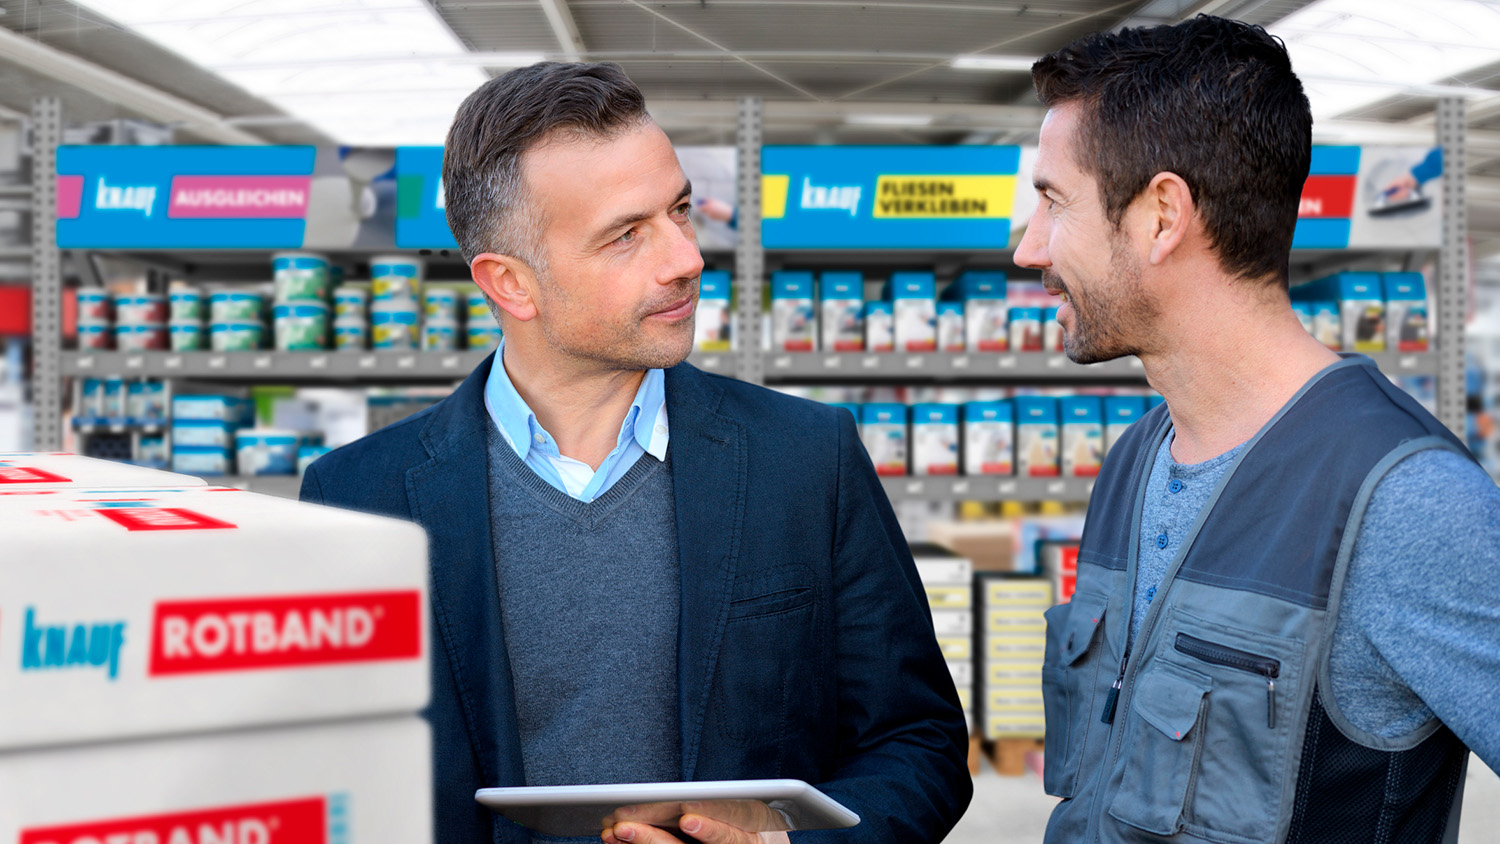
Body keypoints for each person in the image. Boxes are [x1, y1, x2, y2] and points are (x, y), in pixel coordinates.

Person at [300, 62, 970, 844]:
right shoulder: (359, 501)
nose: (685, 257)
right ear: (511, 284)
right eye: (627, 235)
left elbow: (916, 743)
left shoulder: (806, 460)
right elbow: (328, 780)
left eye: (680, 210)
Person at [1014, 16, 1500, 844]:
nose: (1029, 249)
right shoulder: (1136, 459)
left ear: (1162, 216)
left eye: (1054, 203)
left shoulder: (1407, 505)